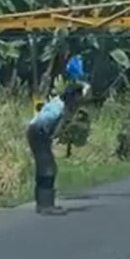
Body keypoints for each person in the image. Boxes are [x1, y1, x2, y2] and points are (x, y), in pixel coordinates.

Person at [26, 82, 89, 215]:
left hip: (40, 134)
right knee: (47, 169)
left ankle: (43, 203)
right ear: (73, 96)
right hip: (38, 133)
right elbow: (41, 124)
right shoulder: (57, 108)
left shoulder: (64, 105)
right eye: (79, 97)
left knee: (47, 168)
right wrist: (47, 138)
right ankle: (45, 206)